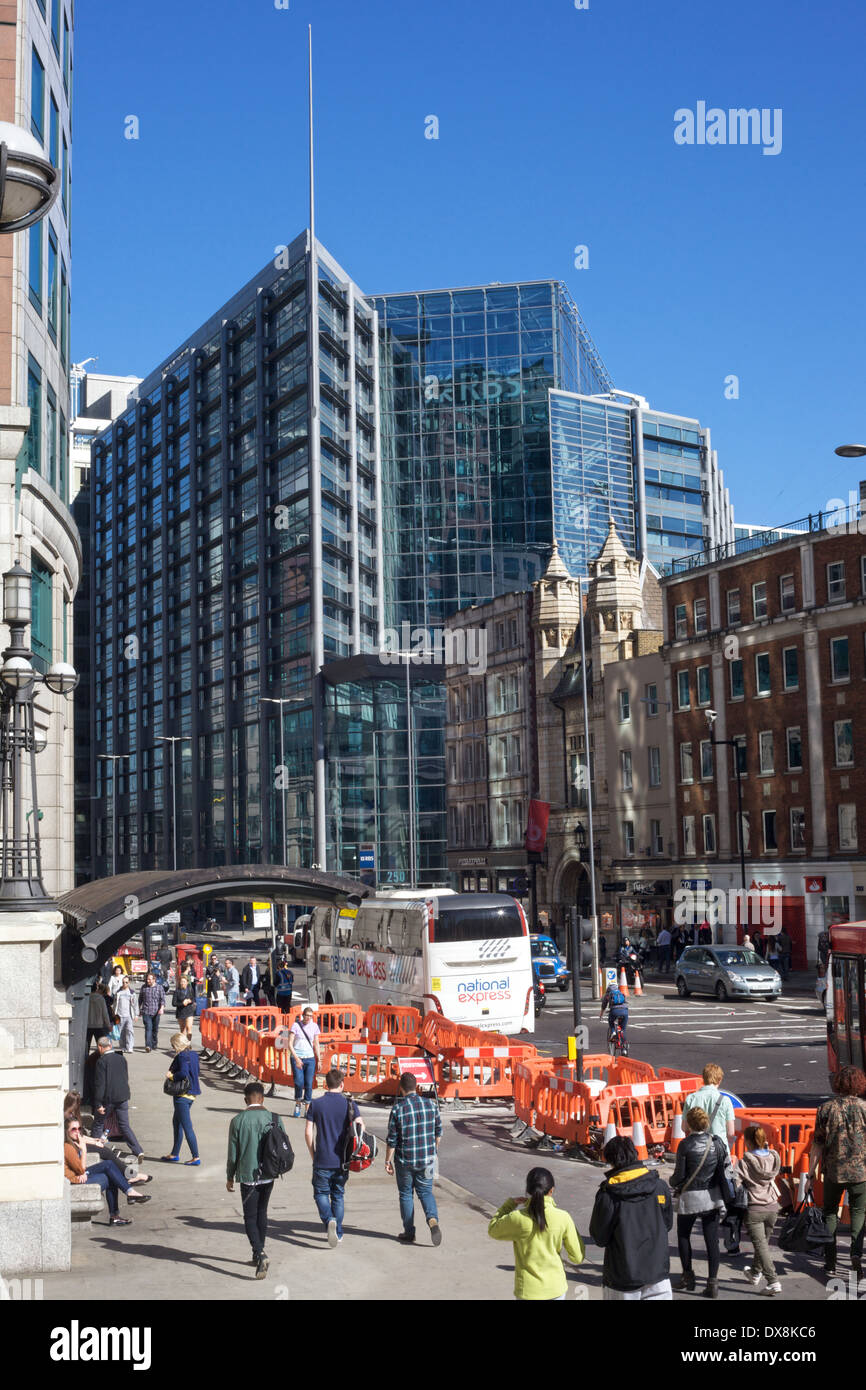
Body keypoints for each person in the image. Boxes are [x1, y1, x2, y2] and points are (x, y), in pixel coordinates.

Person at [590, 1136, 673, 1300]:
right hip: (658, 1275)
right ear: (635, 1154)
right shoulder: (660, 1187)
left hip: (622, 1279)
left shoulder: (609, 1195)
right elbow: (667, 1224)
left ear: (611, 1161)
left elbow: (599, 1237)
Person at [489, 1167, 584, 1300]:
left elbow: (493, 1230)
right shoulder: (563, 1217)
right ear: (552, 1190)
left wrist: (509, 1205)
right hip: (556, 1289)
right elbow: (577, 1257)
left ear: (528, 1191)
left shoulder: (517, 1218)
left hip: (528, 1291)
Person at [226, 1080, 289, 1278]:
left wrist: (230, 1176)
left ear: (245, 1099)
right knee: (262, 1213)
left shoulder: (237, 1121)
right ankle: (257, 1252)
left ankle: (259, 1252)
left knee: (250, 1217)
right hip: (268, 1174)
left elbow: (233, 1153)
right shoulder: (274, 1118)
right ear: (262, 1098)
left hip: (247, 1175)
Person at [809, 1064, 866, 1278]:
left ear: (838, 1084)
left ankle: (830, 1262)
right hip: (861, 1171)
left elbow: (817, 1144)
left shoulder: (825, 1109)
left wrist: (810, 1172)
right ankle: (856, 1254)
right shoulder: (864, 1108)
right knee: (859, 1212)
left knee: (830, 1212)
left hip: (833, 1170)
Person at [671, 1106, 729, 1298]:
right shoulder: (717, 1142)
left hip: (690, 1197)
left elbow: (679, 1177)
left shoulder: (685, 1145)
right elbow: (723, 1170)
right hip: (712, 1197)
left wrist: (671, 1183)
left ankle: (688, 1276)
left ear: (689, 1124)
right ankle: (712, 1282)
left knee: (683, 1235)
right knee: (711, 1240)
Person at [385, 1072, 443, 1246]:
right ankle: (432, 1219)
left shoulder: (397, 1109)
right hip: (428, 1159)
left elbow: (392, 1140)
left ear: (401, 1088)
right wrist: (433, 1150)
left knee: (405, 1195)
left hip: (405, 1160)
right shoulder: (431, 1105)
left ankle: (409, 1233)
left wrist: (388, 1161)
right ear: (416, 1086)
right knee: (426, 1192)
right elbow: (438, 1132)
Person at [64, 1116, 150, 1227]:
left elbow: (81, 1169)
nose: (77, 1132)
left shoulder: (75, 1141)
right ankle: (124, 1201)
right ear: (67, 1131)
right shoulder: (68, 1147)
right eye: (73, 1129)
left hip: (80, 1175)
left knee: (109, 1166)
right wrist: (84, 1150)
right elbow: (81, 1170)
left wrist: (94, 1142)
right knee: (110, 1174)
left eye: (79, 1128)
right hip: (75, 1180)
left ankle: (126, 1198)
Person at [305, 1067, 359, 1246]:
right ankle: (339, 1231)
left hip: (322, 1158)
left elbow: (308, 1133)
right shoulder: (350, 1104)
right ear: (342, 1084)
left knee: (320, 1193)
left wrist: (313, 1154)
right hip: (343, 1159)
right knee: (338, 1194)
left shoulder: (316, 1104)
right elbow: (361, 1128)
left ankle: (329, 1220)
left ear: (325, 1085)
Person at [738, 1123, 782, 1295]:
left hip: (754, 1208)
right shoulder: (774, 1158)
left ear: (748, 1141)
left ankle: (773, 1281)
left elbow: (734, 1182)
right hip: (772, 1207)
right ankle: (755, 1273)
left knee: (761, 1246)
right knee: (762, 1244)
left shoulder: (745, 1162)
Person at [91, 1037, 145, 1159]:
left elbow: (100, 1084)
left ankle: (95, 1150)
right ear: (110, 1045)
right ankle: (138, 1150)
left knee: (98, 1123)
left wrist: (98, 1103)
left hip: (108, 1099)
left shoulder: (101, 1061)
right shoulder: (122, 1059)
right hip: (123, 1096)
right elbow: (125, 1077)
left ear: (100, 1047)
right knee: (124, 1125)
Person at [161, 1033, 201, 1164]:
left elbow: (183, 1072)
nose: (173, 1048)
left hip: (182, 1094)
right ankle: (174, 1153)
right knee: (177, 1122)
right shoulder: (194, 1055)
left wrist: (171, 1076)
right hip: (192, 1093)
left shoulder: (182, 1055)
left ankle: (196, 1157)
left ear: (177, 1044)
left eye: (173, 1045)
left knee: (186, 1126)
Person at [682, 1063, 735, 1151]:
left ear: (703, 1078)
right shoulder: (725, 1100)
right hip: (719, 1149)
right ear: (720, 1080)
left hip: (697, 1148)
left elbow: (684, 1127)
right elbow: (730, 1133)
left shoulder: (691, 1098)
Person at [289, 1005, 321, 1118]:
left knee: (308, 1083)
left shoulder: (315, 1026)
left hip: (310, 1058)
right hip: (297, 1057)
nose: (308, 1018)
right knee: (298, 1081)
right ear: (303, 1015)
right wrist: (296, 1058)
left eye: (310, 1016)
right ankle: (298, 1103)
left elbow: (316, 1043)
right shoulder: (296, 1025)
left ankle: (307, 1107)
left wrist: (319, 1059)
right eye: (307, 1016)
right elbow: (290, 1044)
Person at [137, 972, 166, 1053]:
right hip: (146, 1011)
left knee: (155, 1029)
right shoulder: (144, 987)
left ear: (154, 979)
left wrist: (162, 1008)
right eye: (147, 979)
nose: (148, 981)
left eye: (150, 979)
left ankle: (154, 1043)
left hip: (156, 1012)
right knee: (148, 1028)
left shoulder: (159, 988)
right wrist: (138, 1009)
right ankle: (148, 1046)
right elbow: (140, 999)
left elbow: (162, 1000)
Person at [85, 982, 113, 1053]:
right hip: (99, 1025)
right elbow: (105, 1013)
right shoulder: (101, 998)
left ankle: (85, 1060)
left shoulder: (86, 998)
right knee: (101, 1045)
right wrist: (108, 1025)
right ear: (96, 988)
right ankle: (100, 1059)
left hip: (88, 1025)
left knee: (86, 1046)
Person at [599, 980, 629, 1046]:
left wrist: (601, 1015)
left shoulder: (608, 994)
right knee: (622, 1030)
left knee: (611, 1021)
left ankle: (613, 1032)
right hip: (625, 1010)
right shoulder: (620, 992)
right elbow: (625, 1002)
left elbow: (604, 1006)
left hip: (614, 1011)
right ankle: (624, 1047)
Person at [173, 965, 197, 1041]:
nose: (182, 983)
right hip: (181, 1012)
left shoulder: (190, 989)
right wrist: (182, 1003)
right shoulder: (177, 991)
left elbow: (193, 998)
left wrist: (190, 1001)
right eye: (181, 982)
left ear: (187, 982)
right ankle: (184, 1045)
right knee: (182, 1030)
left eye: (184, 982)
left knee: (189, 1028)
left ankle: (189, 1044)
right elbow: (174, 1003)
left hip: (189, 1011)